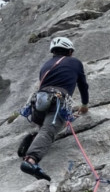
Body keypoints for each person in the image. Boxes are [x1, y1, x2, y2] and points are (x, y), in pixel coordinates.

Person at [19, 36, 89, 181]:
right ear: (70, 51)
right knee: (49, 130)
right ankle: (31, 160)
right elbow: (83, 85)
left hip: (39, 102)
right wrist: (84, 105)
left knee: (44, 127)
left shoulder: (45, 65)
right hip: (57, 101)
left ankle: (33, 138)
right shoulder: (75, 62)